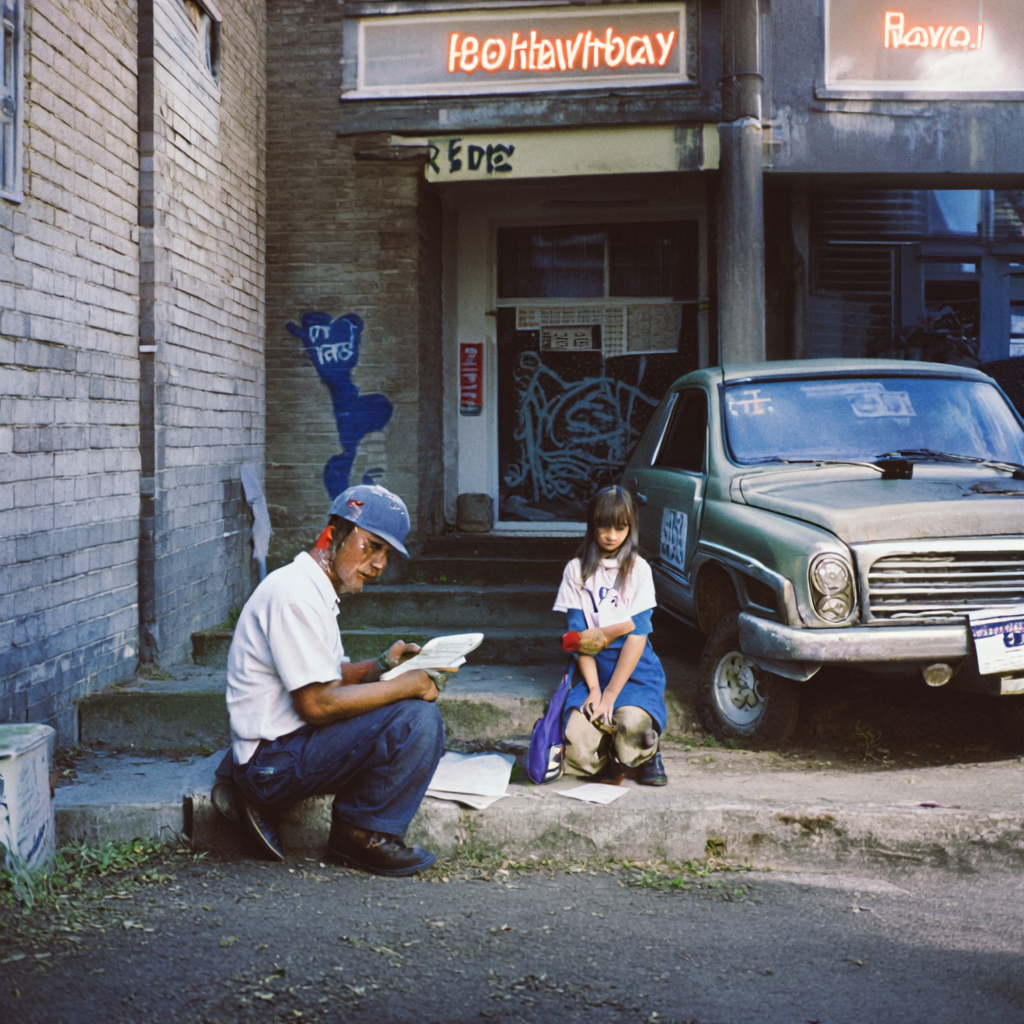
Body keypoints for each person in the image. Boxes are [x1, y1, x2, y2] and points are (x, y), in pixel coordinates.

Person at [212, 484, 448, 876]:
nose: (378, 564)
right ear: (331, 534)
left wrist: (384, 666)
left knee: (401, 708)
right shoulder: (296, 596)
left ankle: (350, 829)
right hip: (271, 763)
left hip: (282, 745)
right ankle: (361, 836)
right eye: (371, 545)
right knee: (416, 719)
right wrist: (408, 685)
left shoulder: (312, 587)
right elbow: (317, 705)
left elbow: (328, 674)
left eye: (386, 554)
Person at [552, 485, 669, 785]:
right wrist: (594, 690)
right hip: (591, 670)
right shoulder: (575, 570)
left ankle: (645, 753)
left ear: (631, 528)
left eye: (620, 527)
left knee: (634, 727)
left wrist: (612, 695)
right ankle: (609, 751)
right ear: (592, 525)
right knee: (576, 746)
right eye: (603, 525)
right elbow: (578, 638)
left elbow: (636, 636)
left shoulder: (639, 570)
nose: (611, 535)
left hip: (634, 672)